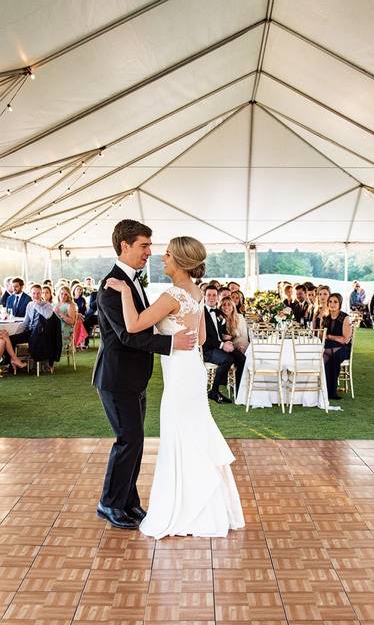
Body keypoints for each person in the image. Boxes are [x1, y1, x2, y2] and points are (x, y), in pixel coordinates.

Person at [103, 231, 243, 539]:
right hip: (191, 369)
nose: (161, 257)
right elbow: (204, 340)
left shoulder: (172, 295)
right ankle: (203, 505)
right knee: (193, 432)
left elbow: (133, 325)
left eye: (167, 254)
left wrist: (126, 293)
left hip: (180, 376)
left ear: (179, 261)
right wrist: (178, 338)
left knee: (179, 435)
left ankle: (182, 509)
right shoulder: (194, 292)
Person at [92, 220, 197, 531]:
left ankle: (128, 502)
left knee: (135, 442)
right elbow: (128, 335)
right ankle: (109, 504)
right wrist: (170, 342)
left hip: (133, 377)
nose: (149, 252)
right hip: (116, 378)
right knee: (128, 441)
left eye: (150, 246)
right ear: (125, 246)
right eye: (144, 246)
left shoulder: (133, 281)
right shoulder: (112, 285)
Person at [201, 285, 246, 402]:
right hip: (207, 349)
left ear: (217, 297)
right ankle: (214, 391)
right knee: (227, 359)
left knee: (241, 358)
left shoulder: (218, 312)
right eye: (209, 295)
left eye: (214, 295)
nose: (211, 297)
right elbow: (203, 338)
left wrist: (227, 338)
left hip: (219, 345)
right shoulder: (200, 313)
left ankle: (238, 391)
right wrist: (222, 345)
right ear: (204, 297)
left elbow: (220, 331)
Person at [321, 294, 352, 400]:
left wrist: (330, 337)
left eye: (335, 302)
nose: (332, 304)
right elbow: (321, 335)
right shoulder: (326, 317)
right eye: (330, 301)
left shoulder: (345, 317)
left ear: (340, 304)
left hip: (343, 349)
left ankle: (330, 391)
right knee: (325, 354)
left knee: (329, 355)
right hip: (328, 348)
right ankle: (325, 389)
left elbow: (345, 339)